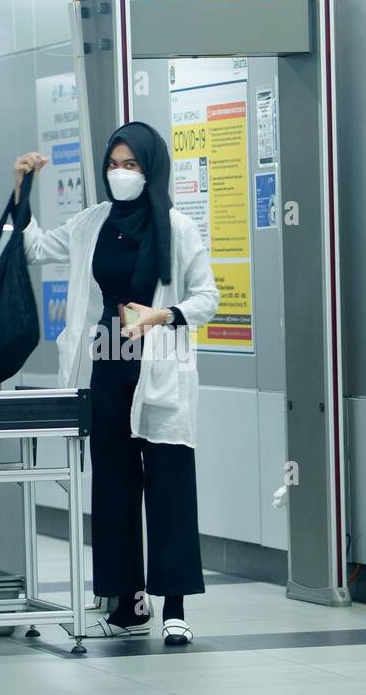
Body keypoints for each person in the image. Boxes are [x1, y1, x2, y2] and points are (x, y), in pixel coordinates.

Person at [15, 122, 219, 645]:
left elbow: (206, 298)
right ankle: (127, 606)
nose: (121, 174)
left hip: (159, 362)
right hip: (105, 360)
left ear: (151, 169)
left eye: (131, 165)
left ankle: (174, 607)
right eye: (113, 164)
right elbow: (36, 248)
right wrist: (22, 189)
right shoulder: (91, 223)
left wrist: (160, 316)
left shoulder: (176, 228)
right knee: (113, 485)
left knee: (169, 482)